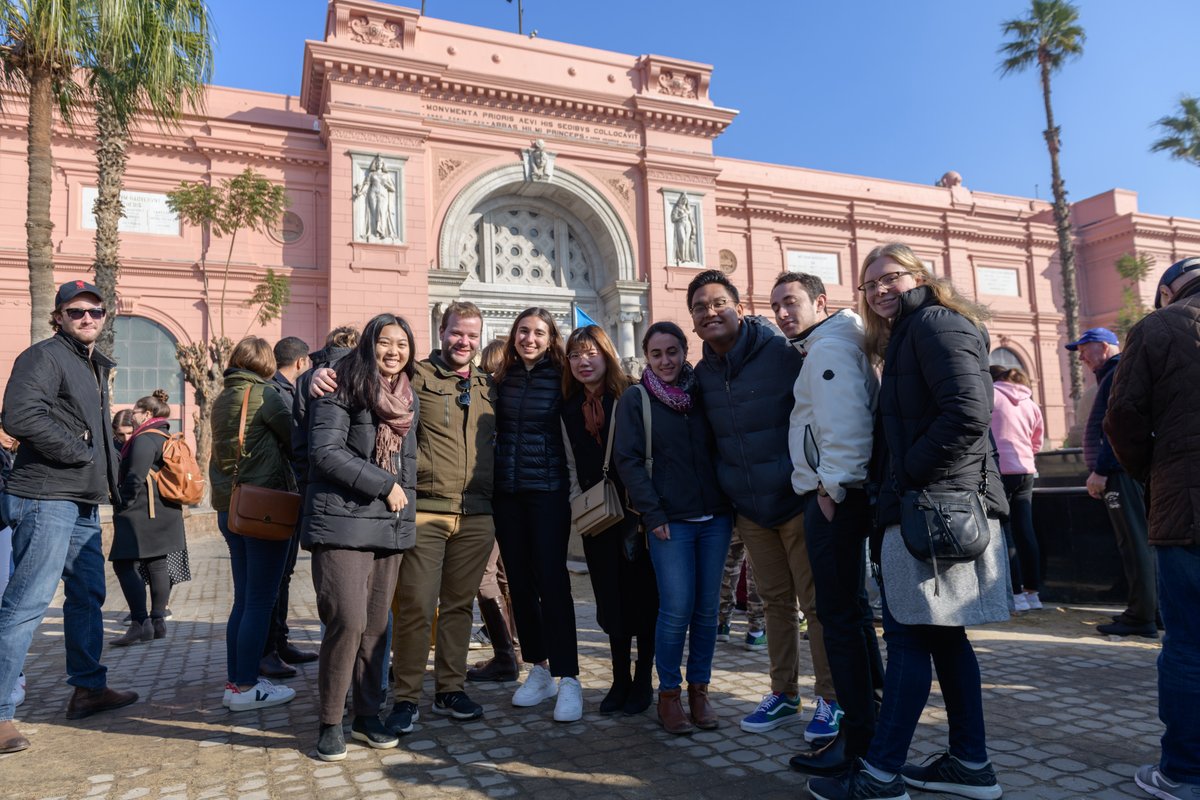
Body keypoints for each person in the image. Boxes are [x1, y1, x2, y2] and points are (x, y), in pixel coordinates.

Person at [808, 243, 1008, 800]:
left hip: (929, 507)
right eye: (870, 284)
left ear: (919, 276)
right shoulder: (913, 331)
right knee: (944, 639)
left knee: (909, 640)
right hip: (932, 504)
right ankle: (970, 764)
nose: (880, 290)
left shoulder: (935, 323)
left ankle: (880, 775)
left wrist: (905, 475)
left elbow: (968, 411)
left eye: (890, 277)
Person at [686, 269, 836, 740]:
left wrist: (825, 484)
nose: (710, 312)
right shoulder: (703, 374)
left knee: (817, 606)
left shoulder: (783, 352)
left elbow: (825, 415)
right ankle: (784, 693)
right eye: (699, 307)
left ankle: (832, 698)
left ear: (739, 308)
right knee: (774, 605)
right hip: (751, 510)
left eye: (718, 303)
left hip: (798, 501)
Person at [0, 280, 137, 754]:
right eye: (76, 311)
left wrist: (111, 479)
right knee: (27, 603)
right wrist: (81, 453)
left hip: (81, 501)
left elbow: (93, 430)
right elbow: (19, 416)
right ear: (58, 316)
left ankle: (88, 689)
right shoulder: (43, 357)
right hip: (45, 496)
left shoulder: (90, 364)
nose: (86, 318)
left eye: (95, 312)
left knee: (87, 596)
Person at [775, 272, 886, 776]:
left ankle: (856, 737)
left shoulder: (828, 349)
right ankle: (872, 720)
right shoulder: (835, 341)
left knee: (838, 618)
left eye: (791, 302)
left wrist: (830, 488)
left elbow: (845, 425)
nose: (782, 313)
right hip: (840, 495)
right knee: (852, 613)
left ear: (820, 302)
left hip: (833, 500)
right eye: (776, 305)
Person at [300, 313, 418, 761]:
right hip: (342, 522)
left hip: (389, 525)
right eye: (385, 342)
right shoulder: (340, 383)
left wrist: (401, 506)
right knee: (347, 621)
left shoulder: (406, 395)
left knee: (376, 627)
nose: (394, 351)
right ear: (369, 344)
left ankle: (367, 715)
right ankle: (331, 721)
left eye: (402, 344)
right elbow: (325, 452)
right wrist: (384, 485)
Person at [1104, 256, 1200, 800]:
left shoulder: (1160, 326)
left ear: (1167, 291)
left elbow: (1124, 417)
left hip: (1188, 509)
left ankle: (1186, 773)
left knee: (1189, 644)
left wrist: (1151, 474)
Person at [614, 321, 731, 735]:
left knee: (707, 611)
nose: (666, 361)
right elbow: (627, 460)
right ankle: (669, 695)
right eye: (656, 354)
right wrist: (653, 514)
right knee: (676, 608)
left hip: (715, 517)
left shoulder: (703, 392)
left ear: (685, 351)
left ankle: (700, 691)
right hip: (669, 522)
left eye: (672, 352)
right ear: (647, 357)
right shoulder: (637, 398)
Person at [386, 302, 498, 732]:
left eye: (472, 335)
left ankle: (450, 689)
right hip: (426, 511)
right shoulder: (414, 376)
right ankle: (406, 697)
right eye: (456, 332)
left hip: (477, 514)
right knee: (416, 606)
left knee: (458, 607)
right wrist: (321, 374)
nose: (463, 342)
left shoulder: (489, 384)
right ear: (441, 331)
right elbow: (366, 379)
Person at [561, 325, 658, 716]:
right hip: (598, 517)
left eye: (591, 353)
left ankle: (643, 678)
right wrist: (578, 502)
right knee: (610, 600)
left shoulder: (630, 395)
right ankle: (620, 679)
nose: (583, 362)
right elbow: (570, 462)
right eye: (575, 355)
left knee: (644, 599)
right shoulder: (569, 407)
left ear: (607, 354)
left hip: (635, 516)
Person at [492, 307, 581, 722]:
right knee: (521, 586)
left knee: (553, 583)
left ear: (551, 339)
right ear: (513, 335)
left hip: (548, 492)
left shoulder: (563, 377)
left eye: (539, 333)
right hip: (508, 495)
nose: (530, 339)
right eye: (524, 331)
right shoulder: (501, 378)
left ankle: (569, 677)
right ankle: (539, 670)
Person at [210, 337, 297, 712]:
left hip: (231, 508)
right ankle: (246, 685)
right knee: (261, 600)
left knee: (244, 599)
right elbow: (295, 441)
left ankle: (236, 683)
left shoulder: (222, 398)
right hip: (264, 508)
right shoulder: (265, 395)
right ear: (266, 364)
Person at [1066, 327, 1158, 638]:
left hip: (1119, 472)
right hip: (1128, 469)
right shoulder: (1115, 374)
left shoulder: (1117, 373)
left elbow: (1116, 426)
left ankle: (1141, 616)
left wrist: (1102, 469)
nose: (1081, 357)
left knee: (1133, 543)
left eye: (1084, 349)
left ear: (1104, 347)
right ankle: (1152, 610)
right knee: (1141, 541)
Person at [259, 335, 317, 680]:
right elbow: (295, 443)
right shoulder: (278, 394)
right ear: (301, 362)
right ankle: (270, 649)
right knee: (276, 576)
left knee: (284, 574)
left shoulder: (278, 390)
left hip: (285, 493)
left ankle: (279, 643)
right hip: (281, 494)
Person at [108, 390, 186, 647]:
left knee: (123, 564)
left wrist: (122, 504)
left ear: (148, 414)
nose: (132, 416)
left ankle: (140, 623)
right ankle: (157, 621)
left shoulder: (144, 438)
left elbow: (135, 477)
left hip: (142, 511)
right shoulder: (164, 434)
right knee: (157, 564)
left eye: (135, 412)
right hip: (164, 510)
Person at [989, 365, 1045, 613]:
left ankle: (1015, 594)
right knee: (1026, 530)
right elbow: (1037, 441)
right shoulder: (1030, 403)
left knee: (1005, 532)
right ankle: (1033, 593)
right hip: (1026, 469)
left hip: (1000, 469)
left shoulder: (990, 395)